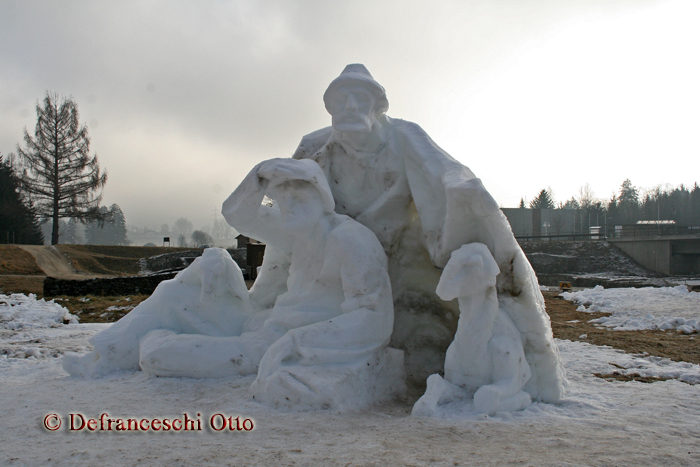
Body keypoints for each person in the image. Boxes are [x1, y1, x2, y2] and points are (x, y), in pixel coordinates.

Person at [237, 64, 563, 403]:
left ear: (379, 106)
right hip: (339, 262)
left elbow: (443, 169)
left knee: (423, 333)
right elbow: (291, 199)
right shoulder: (316, 146)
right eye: (340, 98)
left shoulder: (404, 136)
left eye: (359, 97)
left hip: (400, 252)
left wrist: (461, 187)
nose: (349, 105)